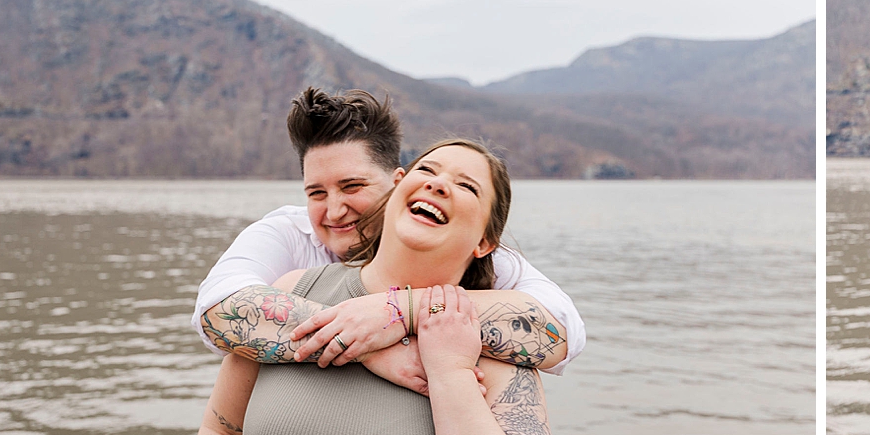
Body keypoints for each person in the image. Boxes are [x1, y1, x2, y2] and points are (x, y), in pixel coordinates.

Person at [177, 137, 562, 435]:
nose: (438, 185)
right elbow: (223, 432)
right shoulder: (297, 292)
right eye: (427, 171)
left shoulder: (498, 347)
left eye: (467, 186)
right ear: (396, 189)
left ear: (486, 242)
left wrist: (450, 372)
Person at [194, 86, 584, 387]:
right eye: (316, 193)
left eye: (352, 187)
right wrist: (365, 346)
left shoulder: (461, 246)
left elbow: (563, 333)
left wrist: (402, 312)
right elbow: (216, 310)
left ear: (399, 182)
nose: (333, 211)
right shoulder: (289, 233)